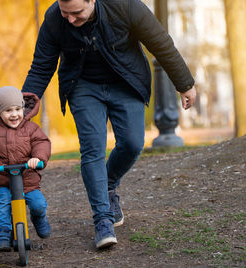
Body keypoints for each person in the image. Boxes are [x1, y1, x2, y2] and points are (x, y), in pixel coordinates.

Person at [22, 0, 197, 249]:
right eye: (65, 12)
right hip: (83, 86)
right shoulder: (54, 18)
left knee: (132, 144)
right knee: (93, 149)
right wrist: (25, 104)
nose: (70, 19)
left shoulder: (125, 6)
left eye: (76, 13)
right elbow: (41, 65)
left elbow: (161, 43)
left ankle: (109, 184)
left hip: (126, 81)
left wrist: (185, 84)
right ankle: (102, 220)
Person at [0, 86, 52, 251]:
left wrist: (37, 158)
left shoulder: (31, 129)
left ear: (23, 109)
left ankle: (38, 218)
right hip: (2, 180)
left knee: (38, 204)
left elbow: (42, 143)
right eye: (8, 110)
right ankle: (3, 233)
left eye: (17, 109)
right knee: (4, 202)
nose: (14, 114)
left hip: (28, 180)